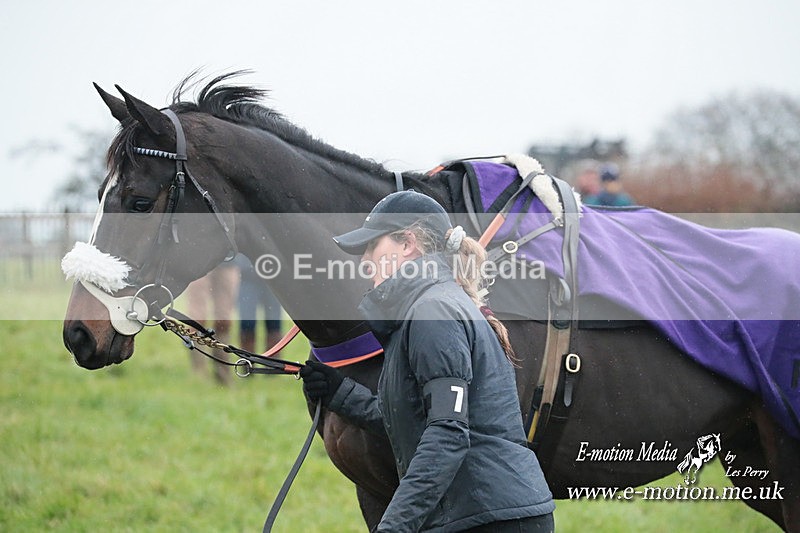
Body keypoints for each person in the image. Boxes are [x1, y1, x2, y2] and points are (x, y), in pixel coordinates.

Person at [299, 191, 555, 532]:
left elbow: (447, 433)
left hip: (490, 519)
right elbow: (417, 418)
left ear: (407, 243)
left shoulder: (432, 312)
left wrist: (395, 526)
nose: (364, 260)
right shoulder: (426, 308)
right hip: (481, 515)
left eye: (371, 246)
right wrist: (340, 394)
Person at [184, 261, 239, 385]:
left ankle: (223, 374)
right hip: (198, 262)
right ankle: (199, 374)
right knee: (196, 320)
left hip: (227, 261)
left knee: (224, 320)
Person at [233, 253, 283, 353]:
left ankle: (273, 366)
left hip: (273, 277)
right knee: (247, 325)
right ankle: (248, 364)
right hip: (247, 276)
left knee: (274, 326)